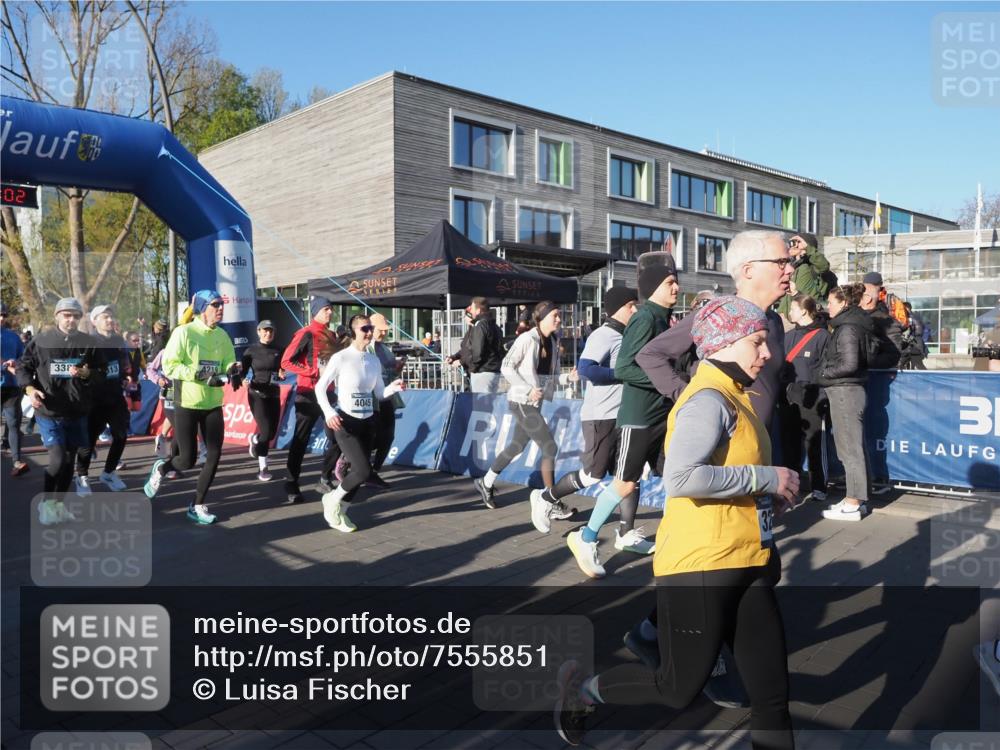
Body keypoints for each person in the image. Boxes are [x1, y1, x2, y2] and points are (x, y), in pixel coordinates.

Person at [554, 296, 799, 750]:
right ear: (725, 343)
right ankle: (583, 691)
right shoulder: (706, 399)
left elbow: (730, 475)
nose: (766, 353)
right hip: (700, 567)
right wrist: (766, 476)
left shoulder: (737, 395)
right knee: (677, 689)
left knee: (771, 697)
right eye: (758, 342)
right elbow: (681, 477)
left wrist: (766, 497)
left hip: (751, 559)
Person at [631, 230, 792, 708]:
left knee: (754, 578)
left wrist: (771, 475)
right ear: (747, 270)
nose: (790, 268)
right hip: (711, 475)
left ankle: (662, 638)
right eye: (781, 260)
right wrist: (695, 400)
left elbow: (770, 395)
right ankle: (699, 660)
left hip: (753, 475)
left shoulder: (775, 322)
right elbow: (649, 355)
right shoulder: (715, 315)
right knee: (712, 579)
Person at [565, 251, 678, 576]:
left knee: (674, 477)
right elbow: (627, 368)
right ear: (654, 287)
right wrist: (671, 381)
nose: (676, 288)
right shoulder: (644, 319)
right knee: (625, 483)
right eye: (670, 282)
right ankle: (585, 537)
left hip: (660, 413)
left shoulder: (661, 318)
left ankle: (655, 535)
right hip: (638, 416)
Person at [536, 286, 641, 575]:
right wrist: (623, 373)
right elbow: (586, 369)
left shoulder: (626, 335)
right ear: (619, 307)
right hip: (600, 416)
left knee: (629, 473)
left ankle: (626, 533)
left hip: (623, 416)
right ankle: (546, 497)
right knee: (593, 475)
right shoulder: (603, 334)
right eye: (631, 305)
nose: (635, 310)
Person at [473, 301, 578, 531]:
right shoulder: (526, 339)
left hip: (535, 402)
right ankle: (551, 501)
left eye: (559, 315)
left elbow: (549, 380)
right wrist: (527, 388)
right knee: (550, 448)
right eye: (555, 315)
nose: (559, 319)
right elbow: (506, 367)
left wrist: (568, 379)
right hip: (521, 401)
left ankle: (486, 481)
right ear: (540, 318)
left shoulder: (553, 341)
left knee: (517, 446)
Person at [143, 290, 242, 525]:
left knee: (215, 455)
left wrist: (232, 370)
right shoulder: (183, 332)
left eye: (222, 304)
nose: (220, 308)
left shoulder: (222, 336)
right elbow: (170, 365)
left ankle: (197, 504)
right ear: (202, 308)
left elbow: (228, 360)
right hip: (186, 402)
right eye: (215, 304)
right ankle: (162, 467)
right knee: (187, 460)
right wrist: (197, 374)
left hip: (212, 402)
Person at [315, 314, 405, 532]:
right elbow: (320, 388)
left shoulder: (373, 360)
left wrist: (394, 387)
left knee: (358, 473)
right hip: (346, 422)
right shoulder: (342, 358)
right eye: (364, 328)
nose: (369, 332)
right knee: (364, 471)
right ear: (353, 330)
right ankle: (331, 501)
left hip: (368, 422)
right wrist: (328, 413)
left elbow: (380, 393)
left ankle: (341, 512)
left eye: (370, 328)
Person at [16, 298, 99, 524]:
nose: (71, 320)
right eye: (66, 315)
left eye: (75, 316)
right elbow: (23, 367)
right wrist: (31, 389)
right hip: (49, 411)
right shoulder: (41, 341)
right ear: (57, 316)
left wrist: (86, 374)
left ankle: (59, 505)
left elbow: (99, 371)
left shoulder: (88, 343)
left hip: (77, 411)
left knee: (69, 462)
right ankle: (46, 504)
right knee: (57, 459)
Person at [818, 283, 873, 522]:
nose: (827, 306)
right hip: (846, 391)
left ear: (843, 303)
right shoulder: (849, 325)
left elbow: (849, 364)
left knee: (850, 448)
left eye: (831, 302)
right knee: (850, 446)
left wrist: (823, 374)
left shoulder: (848, 328)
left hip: (845, 392)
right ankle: (855, 497)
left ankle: (854, 501)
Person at [281, 297, 341, 503]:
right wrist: (313, 371)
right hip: (308, 393)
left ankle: (325, 477)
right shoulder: (306, 333)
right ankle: (291, 483)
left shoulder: (332, 335)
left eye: (331, 309)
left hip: (329, 393)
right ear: (315, 312)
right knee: (301, 439)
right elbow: (286, 360)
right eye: (326, 309)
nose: (330, 313)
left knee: (337, 437)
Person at [73, 304, 133, 493]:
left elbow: (120, 364)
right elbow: (78, 369)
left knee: (121, 435)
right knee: (88, 441)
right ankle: (81, 476)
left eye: (111, 316)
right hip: (94, 400)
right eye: (105, 317)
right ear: (94, 321)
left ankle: (108, 472)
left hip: (115, 398)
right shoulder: (89, 342)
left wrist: (125, 377)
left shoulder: (117, 340)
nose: (109, 320)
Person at [780, 294, 830, 502]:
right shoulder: (788, 336)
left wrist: (818, 392)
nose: (789, 312)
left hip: (812, 397)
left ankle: (819, 487)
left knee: (813, 443)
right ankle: (793, 486)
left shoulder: (823, 336)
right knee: (790, 444)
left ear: (803, 311)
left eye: (792, 308)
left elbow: (826, 367)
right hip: (788, 396)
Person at [241, 320, 285, 482]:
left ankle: (255, 440)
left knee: (271, 433)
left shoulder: (279, 350)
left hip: (274, 393)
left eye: (271, 331)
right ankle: (263, 468)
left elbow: (284, 368)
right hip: (256, 393)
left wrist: (282, 372)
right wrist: (243, 379)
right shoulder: (251, 351)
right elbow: (242, 372)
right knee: (266, 432)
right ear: (258, 332)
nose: (268, 334)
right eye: (265, 331)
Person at [366, 313, 404, 485]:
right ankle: (356, 465)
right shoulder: (365, 348)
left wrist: (398, 368)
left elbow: (390, 373)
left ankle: (374, 471)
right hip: (370, 399)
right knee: (368, 437)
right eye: (380, 330)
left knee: (388, 436)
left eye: (384, 330)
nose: (383, 333)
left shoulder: (384, 349)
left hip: (386, 397)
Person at [447, 297, 505, 393]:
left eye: (472, 308)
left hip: (483, 372)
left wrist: (469, 366)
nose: (471, 311)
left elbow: (477, 352)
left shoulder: (480, 325)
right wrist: (455, 357)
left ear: (478, 310)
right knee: (489, 404)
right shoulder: (494, 326)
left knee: (481, 406)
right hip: (493, 371)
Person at [1, 304, 29, 477]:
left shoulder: (13, 337)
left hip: (11, 387)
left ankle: (17, 461)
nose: (1, 318)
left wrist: (15, 362)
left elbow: (24, 357)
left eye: (3, 314)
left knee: (13, 423)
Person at [777, 232, 830, 317]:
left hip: (804, 315)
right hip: (786, 314)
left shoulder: (812, 266)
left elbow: (824, 266)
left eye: (796, 242)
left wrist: (808, 248)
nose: (793, 246)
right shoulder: (792, 266)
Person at [860, 272, 904, 369]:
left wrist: (864, 364)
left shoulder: (889, 304)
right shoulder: (857, 315)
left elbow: (893, 354)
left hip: (876, 374)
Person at [899, 301, 928, 370]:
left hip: (914, 346)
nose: (901, 310)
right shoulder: (911, 317)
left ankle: (927, 378)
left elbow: (918, 331)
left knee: (916, 364)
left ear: (907, 308)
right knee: (915, 364)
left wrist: (909, 337)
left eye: (902, 308)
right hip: (912, 345)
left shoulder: (911, 318)